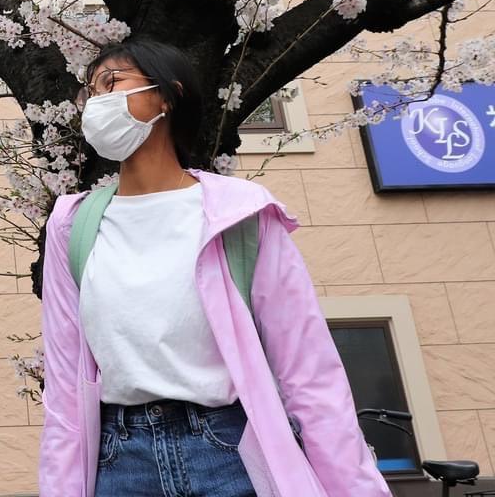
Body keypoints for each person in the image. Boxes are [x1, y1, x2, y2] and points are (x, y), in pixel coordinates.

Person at [38, 38, 390, 497]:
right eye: (91, 92)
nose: (96, 103)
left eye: (112, 82)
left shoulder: (240, 214)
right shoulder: (72, 223)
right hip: (119, 460)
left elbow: (308, 370)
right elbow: (65, 384)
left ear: (167, 95)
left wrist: (355, 488)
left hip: (227, 451)